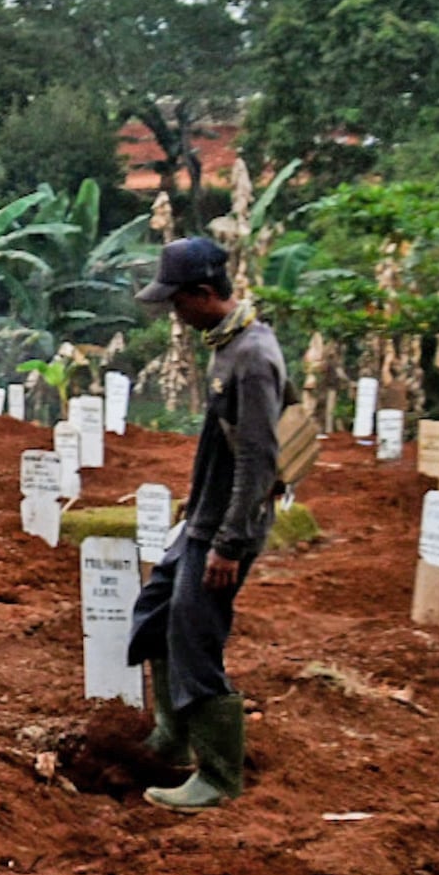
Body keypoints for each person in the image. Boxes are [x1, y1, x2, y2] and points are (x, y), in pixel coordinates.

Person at [126, 236, 285, 811]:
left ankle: (218, 775)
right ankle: (173, 737)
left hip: (225, 531)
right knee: (157, 609)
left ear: (202, 293)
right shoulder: (228, 345)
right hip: (203, 521)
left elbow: (258, 460)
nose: (174, 312)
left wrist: (230, 544)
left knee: (196, 639)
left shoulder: (253, 357)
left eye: (177, 302)